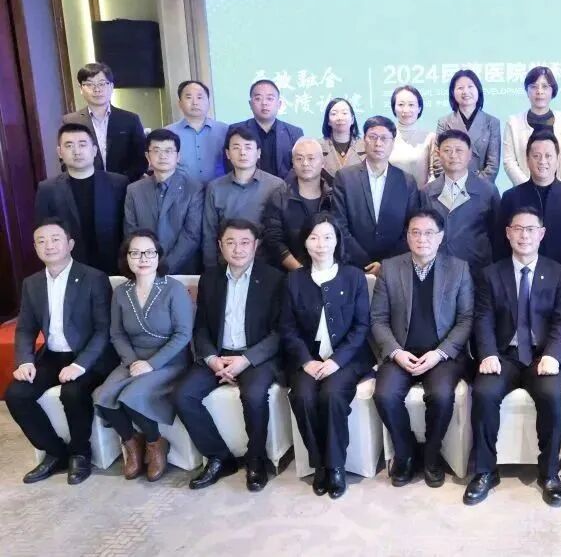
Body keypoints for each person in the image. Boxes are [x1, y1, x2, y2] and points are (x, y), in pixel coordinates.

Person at [464, 207, 561, 507]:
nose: (524, 235)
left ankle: (549, 474)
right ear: (508, 233)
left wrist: (553, 355)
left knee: (552, 396)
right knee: (484, 393)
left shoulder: (559, 273)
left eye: (530, 229)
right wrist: (487, 353)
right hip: (504, 355)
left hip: (542, 357)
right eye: (518, 229)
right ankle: (485, 472)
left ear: (542, 234)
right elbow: (483, 319)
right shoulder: (490, 274)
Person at [174, 219, 285, 492]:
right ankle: (219, 457)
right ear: (220, 246)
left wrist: (245, 360)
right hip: (218, 354)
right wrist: (212, 359)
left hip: (256, 357)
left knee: (254, 395)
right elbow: (201, 327)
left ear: (256, 246)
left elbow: (280, 332)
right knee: (183, 395)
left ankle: (256, 459)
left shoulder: (274, 279)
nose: (238, 249)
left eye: (245, 242)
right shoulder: (210, 278)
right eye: (230, 242)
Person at [6, 218, 116, 485]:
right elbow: (25, 329)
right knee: (16, 394)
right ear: (35, 247)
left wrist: (80, 365)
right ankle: (55, 452)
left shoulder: (94, 278)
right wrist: (24, 361)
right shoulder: (32, 283)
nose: (49, 246)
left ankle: (80, 453)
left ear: (70, 244)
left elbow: (104, 330)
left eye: (55, 239)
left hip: (89, 357)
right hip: (53, 356)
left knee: (73, 392)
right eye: (41, 241)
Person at [371, 209, 474, 488]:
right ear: (407, 236)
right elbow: (378, 319)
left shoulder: (459, 269)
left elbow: (466, 319)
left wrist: (440, 353)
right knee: (384, 395)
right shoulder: (390, 268)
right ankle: (405, 453)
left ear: (441, 237)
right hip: (401, 352)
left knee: (441, 395)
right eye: (415, 232)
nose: (422, 239)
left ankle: (431, 454)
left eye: (429, 233)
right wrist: (395, 352)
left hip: (441, 355)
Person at [281, 213, 373, 499]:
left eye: (327, 237)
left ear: (337, 241)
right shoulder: (293, 280)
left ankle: (335, 467)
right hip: (308, 359)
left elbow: (361, 327)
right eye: (314, 237)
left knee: (332, 395)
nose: (320, 244)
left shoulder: (354, 276)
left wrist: (336, 361)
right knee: (302, 396)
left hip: (347, 359)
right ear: (305, 242)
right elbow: (288, 328)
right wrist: (306, 361)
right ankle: (319, 463)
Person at [93, 230, 194, 482]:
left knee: (131, 396)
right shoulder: (121, 292)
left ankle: (155, 442)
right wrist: (131, 362)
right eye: (135, 253)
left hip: (169, 361)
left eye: (149, 252)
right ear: (126, 258)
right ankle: (132, 443)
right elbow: (117, 334)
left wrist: (151, 364)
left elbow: (183, 335)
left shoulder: (174, 289)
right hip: (133, 359)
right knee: (102, 397)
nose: (143, 258)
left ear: (159, 256)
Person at [332, 116, 423, 274]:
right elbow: (339, 224)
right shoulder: (345, 177)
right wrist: (365, 262)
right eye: (372, 137)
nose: (378, 143)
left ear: (393, 142)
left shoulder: (407, 181)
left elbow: (411, 227)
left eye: (384, 138)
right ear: (364, 140)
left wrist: (385, 264)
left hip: (395, 268)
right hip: (353, 267)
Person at [35, 123, 127, 275]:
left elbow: (127, 226)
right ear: (59, 152)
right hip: (70, 267)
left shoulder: (119, 183)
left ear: (94, 150)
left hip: (115, 265)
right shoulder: (47, 189)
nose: (76, 151)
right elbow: (43, 231)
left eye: (82, 144)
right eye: (69, 145)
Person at [496, 130, 561, 273]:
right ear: (527, 160)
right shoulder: (510, 198)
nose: (542, 161)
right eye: (536, 156)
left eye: (548, 156)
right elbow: (500, 246)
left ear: (557, 159)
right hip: (521, 280)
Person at [202, 127, 286, 268]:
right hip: (226, 265)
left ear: (258, 153)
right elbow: (209, 234)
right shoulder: (215, 188)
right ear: (228, 154)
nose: (242, 153)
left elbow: (280, 234)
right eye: (236, 147)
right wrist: (211, 270)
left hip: (267, 266)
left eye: (248, 147)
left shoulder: (276, 185)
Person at [123, 128, 203, 275]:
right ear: (147, 156)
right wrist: (148, 263)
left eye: (168, 151)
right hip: (143, 269)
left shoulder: (194, 189)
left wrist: (164, 267)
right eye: (156, 150)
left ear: (178, 156)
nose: (163, 156)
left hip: (183, 269)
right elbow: (130, 231)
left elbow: (191, 234)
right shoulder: (134, 190)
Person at [423, 129, 501, 273]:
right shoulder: (426, 192)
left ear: (470, 154)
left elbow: (497, 235)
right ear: (438, 154)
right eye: (447, 150)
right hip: (437, 271)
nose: (453, 155)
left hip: (477, 271)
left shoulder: (488, 191)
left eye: (459, 150)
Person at [61, 62, 146, 182]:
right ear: (81, 89)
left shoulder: (130, 120)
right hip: (86, 186)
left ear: (111, 87)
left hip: (125, 186)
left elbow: (141, 159)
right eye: (89, 84)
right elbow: (66, 159)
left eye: (102, 84)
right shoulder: (71, 121)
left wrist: (122, 182)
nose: (97, 89)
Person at [262, 138, 334, 271]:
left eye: (311, 158)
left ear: (323, 163)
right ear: (293, 163)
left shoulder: (333, 196)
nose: (305, 163)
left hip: (331, 271)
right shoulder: (279, 197)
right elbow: (273, 240)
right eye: (299, 158)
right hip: (290, 273)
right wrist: (299, 271)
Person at [503, 66, 561, 186]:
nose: (539, 91)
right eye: (533, 86)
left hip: (559, 190)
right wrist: (527, 188)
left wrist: (559, 187)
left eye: (545, 86)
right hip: (524, 191)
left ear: (552, 90)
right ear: (527, 91)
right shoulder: (513, 123)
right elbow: (509, 161)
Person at [228, 79, 304, 178]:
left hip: (285, 186)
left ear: (279, 104)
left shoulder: (295, 133)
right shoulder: (236, 130)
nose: (264, 103)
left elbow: (298, 167)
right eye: (258, 98)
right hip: (247, 187)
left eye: (270, 98)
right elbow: (229, 165)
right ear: (250, 104)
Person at [433, 69, 501, 181]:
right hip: (449, 187)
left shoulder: (492, 122)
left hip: (482, 187)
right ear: (452, 92)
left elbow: (492, 167)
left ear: (478, 90)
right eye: (460, 88)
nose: (465, 91)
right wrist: (454, 184)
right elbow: (437, 162)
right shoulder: (444, 122)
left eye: (470, 87)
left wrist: (474, 185)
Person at [165, 80, 228, 183]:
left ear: (208, 102)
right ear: (180, 103)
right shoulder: (168, 133)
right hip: (182, 191)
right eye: (189, 97)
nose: (195, 102)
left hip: (220, 190)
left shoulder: (225, 130)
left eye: (199, 97)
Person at [389, 85, 437, 188]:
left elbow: (434, 175)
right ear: (394, 108)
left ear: (419, 108)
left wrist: (423, 194)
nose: (406, 110)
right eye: (401, 104)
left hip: (420, 196)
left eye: (411, 105)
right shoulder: (386, 137)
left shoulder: (430, 138)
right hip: (390, 196)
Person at [318, 97, 364, 175]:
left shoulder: (365, 147)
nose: (339, 118)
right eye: (334, 114)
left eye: (344, 113)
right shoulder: (317, 147)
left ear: (352, 119)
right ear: (328, 121)